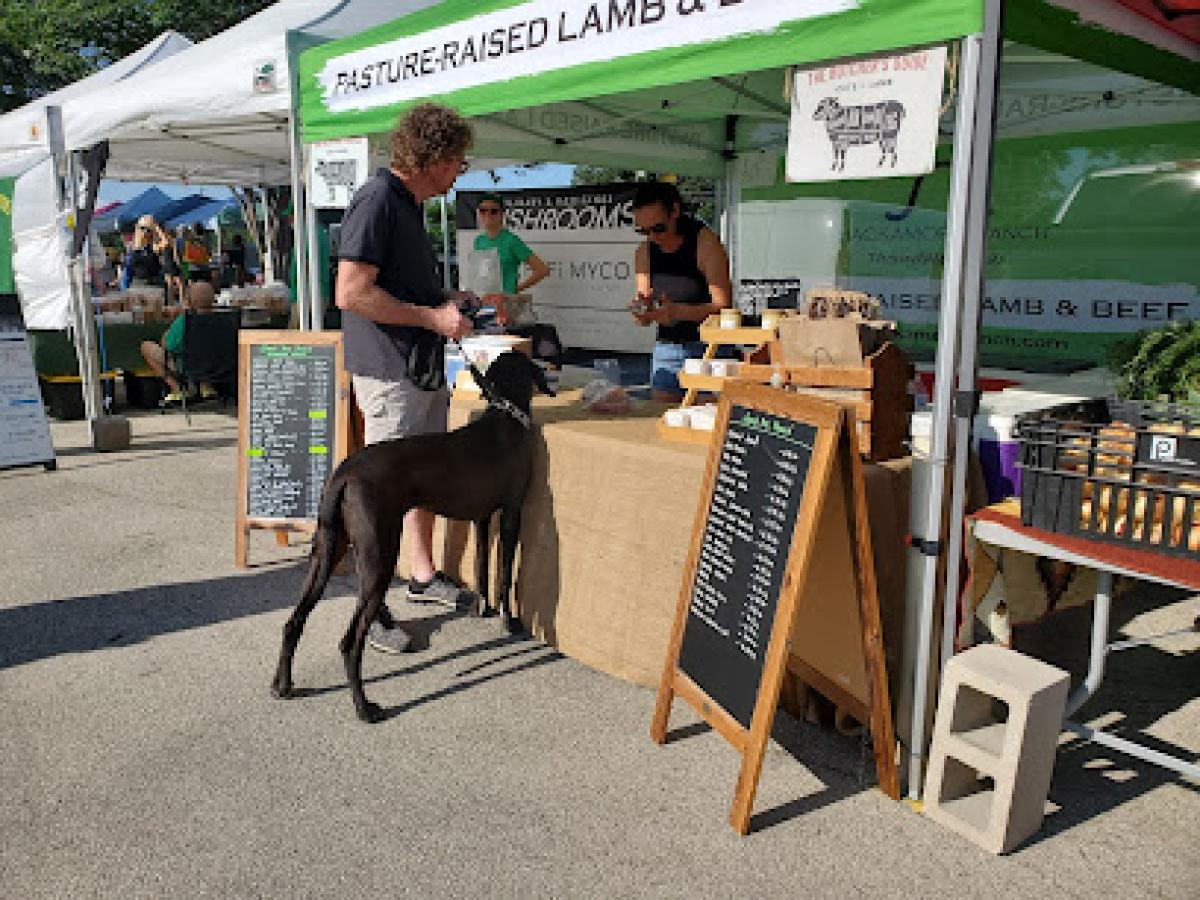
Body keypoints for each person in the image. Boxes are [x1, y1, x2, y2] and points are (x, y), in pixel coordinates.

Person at [335, 102, 476, 654]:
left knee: (418, 481)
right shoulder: (377, 201)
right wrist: (431, 318)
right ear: (433, 157)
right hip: (390, 373)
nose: (460, 171)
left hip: (417, 368)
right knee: (381, 496)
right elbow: (353, 292)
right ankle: (372, 608)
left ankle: (421, 573)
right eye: (458, 161)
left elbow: (401, 286)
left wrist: (447, 300)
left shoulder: (409, 206)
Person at [627, 181, 732, 402]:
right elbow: (645, 305)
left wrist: (677, 312)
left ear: (675, 211)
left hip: (707, 349)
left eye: (658, 228)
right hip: (667, 349)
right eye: (644, 231)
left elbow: (723, 306)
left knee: (707, 421)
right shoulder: (644, 251)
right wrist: (642, 313)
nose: (653, 237)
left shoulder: (705, 243)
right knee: (661, 419)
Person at [472, 192, 550, 324]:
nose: (487, 215)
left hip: (506, 305)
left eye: (493, 211)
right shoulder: (479, 241)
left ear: (502, 214)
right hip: (485, 303)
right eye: (483, 211)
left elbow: (542, 270)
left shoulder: (511, 241)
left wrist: (516, 289)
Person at [138, 280, 218, 405]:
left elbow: (167, 344)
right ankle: (206, 387)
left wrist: (172, 325)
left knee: (146, 346)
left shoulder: (186, 320)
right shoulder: (223, 318)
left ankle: (177, 389)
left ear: (191, 301)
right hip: (215, 365)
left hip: (187, 365)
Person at [120, 215, 166, 290]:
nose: (145, 232)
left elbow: (165, 243)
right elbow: (128, 269)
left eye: (148, 230)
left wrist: (156, 228)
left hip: (154, 284)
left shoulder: (154, 245)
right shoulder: (132, 246)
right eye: (142, 229)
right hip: (137, 284)